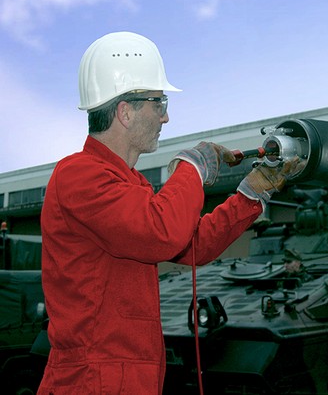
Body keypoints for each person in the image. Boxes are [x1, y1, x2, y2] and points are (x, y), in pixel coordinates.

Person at [37, 31, 300, 394]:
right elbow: (162, 233)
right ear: (125, 111)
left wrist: (251, 194)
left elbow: (191, 245)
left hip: (124, 376)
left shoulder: (128, 184)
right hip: (94, 379)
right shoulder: (78, 175)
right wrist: (192, 166)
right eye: (159, 104)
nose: (166, 117)